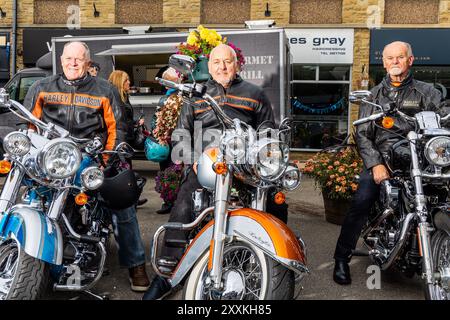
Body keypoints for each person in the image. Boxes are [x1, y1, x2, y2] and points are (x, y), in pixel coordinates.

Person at [143, 43, 287, 300]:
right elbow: (181, 135)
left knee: (276, 205)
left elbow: (268, 132)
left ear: (237, 64)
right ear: (208, 67)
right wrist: (193, 158)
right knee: (185, 205)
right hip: (208, 166)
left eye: (227, 62)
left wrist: (264, 157)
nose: (222, 67)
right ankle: (166, 273)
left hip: (245, 166)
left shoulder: (255, 94)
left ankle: (277, 263)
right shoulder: (197, 95)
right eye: (216, 62)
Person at [24, 41, 150, 292]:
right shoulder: (41, 87)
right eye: (68, 58)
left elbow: (118, 128)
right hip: (50, 160)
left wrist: (104, 163)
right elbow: (29, 126)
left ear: (88, 63)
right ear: (61, 61)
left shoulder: (104, 90)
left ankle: (135, 263)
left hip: (88, 158)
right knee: (28, 197)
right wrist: (30, 154)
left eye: (78, 59)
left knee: (121, 203)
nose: (73, 63)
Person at [332, 41, 449, 285]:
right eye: (390, 58)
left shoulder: (428, 92)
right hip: (384, 159)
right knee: (362, 200)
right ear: (384, 63)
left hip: (421, 162)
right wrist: (375, 164)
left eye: (400, 57)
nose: (395, 62)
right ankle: (341, 259)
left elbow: (444, 118)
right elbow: (362, 134)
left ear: (410, 60)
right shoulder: (374, 96)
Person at [108, 70, 148, 207]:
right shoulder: (117, 100)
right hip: (120, 141)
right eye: (126, 80)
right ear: (120, 82)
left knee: (126, 169)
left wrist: (135, 122)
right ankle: (130, 200)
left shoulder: (123, 97)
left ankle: (133, 199)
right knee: (124, 170)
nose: (129, 83)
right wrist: (136, 123)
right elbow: (120, 122)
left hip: (125, 139)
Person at [150, 67, 183, 214]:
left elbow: (155, 120)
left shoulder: (166, 99)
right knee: (179, 171)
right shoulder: (185, 97)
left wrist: (155, 133)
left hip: (168, 142)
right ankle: (178, 201)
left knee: (167, 171)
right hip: (182, 141)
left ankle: (169, 201)